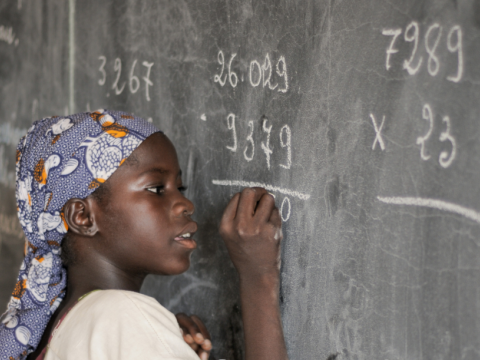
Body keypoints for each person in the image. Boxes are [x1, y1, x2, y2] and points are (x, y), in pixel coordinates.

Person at [0, 110, 288, 360]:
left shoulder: (62, 324)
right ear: (82, 217)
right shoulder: (122, 317)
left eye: (180, 188)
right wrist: (258, 277)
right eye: (156, 189)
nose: (185, 205)